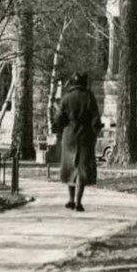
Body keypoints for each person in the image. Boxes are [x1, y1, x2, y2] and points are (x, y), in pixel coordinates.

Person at [52, 71, 102, 212]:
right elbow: (95, 119)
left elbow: (59, 119)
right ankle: (79, 202)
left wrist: (58, 127)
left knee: (70, 168)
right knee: (82, 170)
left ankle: (70, 200)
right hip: (85, 137)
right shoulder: (89, 97)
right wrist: (96, 131)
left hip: (69, 137)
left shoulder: (66, 98)